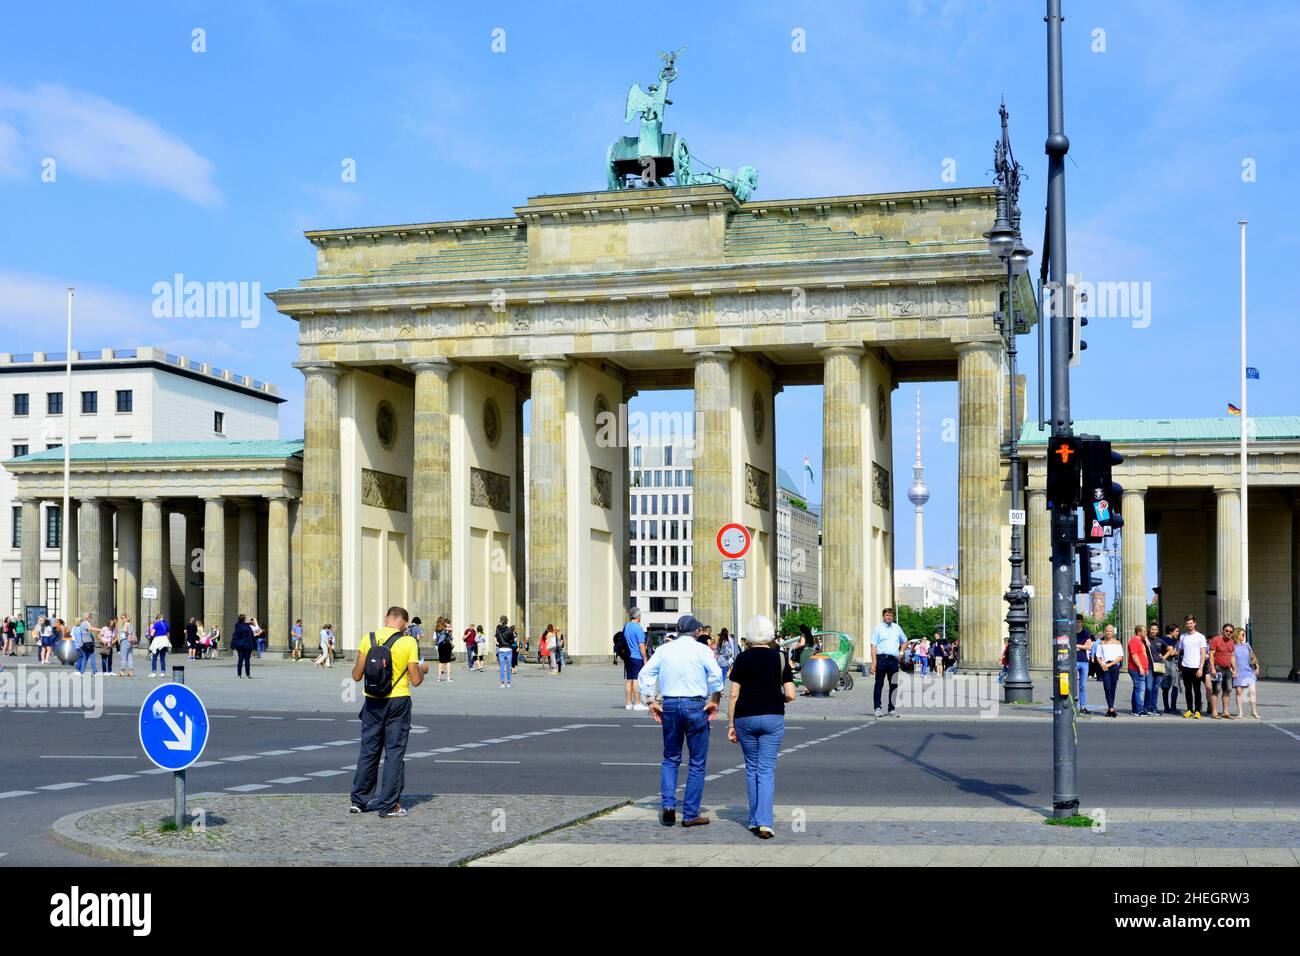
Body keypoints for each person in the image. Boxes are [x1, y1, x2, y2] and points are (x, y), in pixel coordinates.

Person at [638, 614, 723, 828]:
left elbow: (645, 673)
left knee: (670, 758)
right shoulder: (702, 650)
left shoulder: (664, 650)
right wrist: (714, 700)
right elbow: (716, 676)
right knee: (696, 762)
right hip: (695, 705)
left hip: (671, 705)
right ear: (696, 632)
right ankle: (690, 813)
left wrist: (650, 701)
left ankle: (668, 806)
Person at [350, 605, 426, 818]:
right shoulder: (408, 641)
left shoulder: (369, 638)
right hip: (398, 701)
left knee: (368, 751)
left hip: (372, 701)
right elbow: (416, 680)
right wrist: (424, 669)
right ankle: (388, 806)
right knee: (394, 753)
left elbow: (356, 675)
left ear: (386, 618)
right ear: (403, 622)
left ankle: (359, 801)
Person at [727, 615, 796, 839]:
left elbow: (734, 694)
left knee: (751, 768)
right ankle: (765, 823)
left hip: (745, 717)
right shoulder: (781, 658)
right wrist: (780, 700)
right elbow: (791, 694)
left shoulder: (742, 658)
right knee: (766, 770)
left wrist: (730, 724)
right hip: (772, 716)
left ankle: (754, 820)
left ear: (749, 636)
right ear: (771, 634)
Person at [869, 607, 906, 717]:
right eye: (887, 615)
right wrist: (874, 663)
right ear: (883, 616)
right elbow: (873, 646)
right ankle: (877, 708)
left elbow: (905, 641)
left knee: (894, 685)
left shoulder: (897, 628)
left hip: (893, 660)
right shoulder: (878, 628)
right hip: (881, 659)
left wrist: (901, 653)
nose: (889, 617)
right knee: (879, 684)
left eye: (890, 615)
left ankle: (892, 709)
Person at [1177, 615, 1207, 718]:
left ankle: (1197, 710)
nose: (1189, 625)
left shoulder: (1200, 637)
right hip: (1186, 666)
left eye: (1191, 623)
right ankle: (1189, 709)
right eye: (1187, 623)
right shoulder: (1183, 636)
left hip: (1196, 666)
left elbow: (1203, 653)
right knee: (1188, 689)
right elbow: (1180, 652)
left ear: (1194, 623)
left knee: (1197, 689)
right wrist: (1179, 665)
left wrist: (1201, 667)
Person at [622, 607, 649, 711]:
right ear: (638, 617)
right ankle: (637, 703)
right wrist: (645, 658)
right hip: (636, 657)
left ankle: (628, 703)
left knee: (629, 680)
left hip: (627, 656)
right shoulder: (638, 628)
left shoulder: (626, 626)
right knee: (636, 680)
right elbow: (641, 645)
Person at [1209, 623, 1238, 720]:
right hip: (1217, 668)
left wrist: (1234, 669)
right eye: (1226, 631)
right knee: (1216, 690)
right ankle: (1214, 712)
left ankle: (1225, 712)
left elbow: (1232, 656)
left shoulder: (1231, 642)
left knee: (1227, 690)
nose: (1228, 633)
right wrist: (1212, 668)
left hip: (1227, 669)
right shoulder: (1215, 640)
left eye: (1230, 632)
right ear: (1223, 630)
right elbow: (1211, 654)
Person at [1230, 629, 1260, 719]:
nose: (1244, 636)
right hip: (1238, 671)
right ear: (1237, 635)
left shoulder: (1247, 645)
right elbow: (1229, 658)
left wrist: (1257, 666)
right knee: (1239, 692)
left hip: (1249, 671)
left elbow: (1252, 656)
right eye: (1242, 634)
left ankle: (1254, 711)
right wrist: (1232, 670)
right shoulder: (1232, 646)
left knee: (1253, 691)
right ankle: (1240, 712)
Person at [1096, 625, 1123, 717]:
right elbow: (1098, 657)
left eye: (1110, 631)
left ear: (1113, 632)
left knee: (1113, 688)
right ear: (1104, 632)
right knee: (1107, 688)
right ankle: (1111, 708)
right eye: (1107, 631)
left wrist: (1110, 664)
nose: (1108, 633)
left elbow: (1120, 657)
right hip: (1105, 667)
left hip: (1114, 666)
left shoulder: (1117, 643)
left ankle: (1110, 708)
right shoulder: (1101, 643)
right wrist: (1102, 665)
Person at [1126, 624, 1151, 717]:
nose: (1146, 633)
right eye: (1144, 632)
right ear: (1139, 632)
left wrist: (1145, 668)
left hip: (1141, 669)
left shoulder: (1141, 641)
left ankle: (1135, 709)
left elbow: (1143, 655)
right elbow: (1134, 655)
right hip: (1136, 669)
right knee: (1140, 690)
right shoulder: (1134, 641)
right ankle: (1139, 710)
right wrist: (1140, 667)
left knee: (1137, 689)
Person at [1074, 615, 1094, 714]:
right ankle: (1072, 705)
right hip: (1073, 661)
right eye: (1076, 622)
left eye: (1079, 622)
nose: (1077, 624)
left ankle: (1082, 707)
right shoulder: (1071, 631)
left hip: (1084, 661)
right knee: (1072, 685)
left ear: (1082, 622)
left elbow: (1090, 646)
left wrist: (1077, 646)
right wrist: (1084, 646)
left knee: (1082, 686)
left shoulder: (1086, 632)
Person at [1159, 624, 1181, 713]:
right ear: (1170, 632)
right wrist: (1177, 652)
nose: (1178, 633)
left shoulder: (1162, 639)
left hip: (1164, 665)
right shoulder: (1169, 640)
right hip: (1171, 663)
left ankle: (1166, 707)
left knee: (1165, 687)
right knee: (1175, 685)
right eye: (1176, 631)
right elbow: (1171, 653)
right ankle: (1173, 707)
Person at [231, 613, 256, 678]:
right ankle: (248, 674)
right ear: (244, 619)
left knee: (240, 660)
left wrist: (234, 645)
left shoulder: (237, 626)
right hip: (247, 645)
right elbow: (251, 636)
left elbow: (235, 635)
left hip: (239, 645)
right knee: (247, 660)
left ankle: (239, 675)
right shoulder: (247, 626)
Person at [494, 615, 515, 688]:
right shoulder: (509, 630)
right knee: (509, 667)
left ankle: (502, 683)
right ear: (506, 621)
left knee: (502, 667)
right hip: (508, 649)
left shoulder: (498, 630)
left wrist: (500, 643)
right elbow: (512, 639)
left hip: (501, 649)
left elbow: (497, 638)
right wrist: (509, 643)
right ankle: (508, 682)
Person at [434, 617, 455, 682]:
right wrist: (450, 632)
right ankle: (448, 678)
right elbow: (451, 638)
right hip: (446, 644)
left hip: (440, 645)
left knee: (441, 661)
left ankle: (439, 677)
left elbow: (436, 639)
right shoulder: (446, 629)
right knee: (448, 661)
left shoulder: (437, 629)